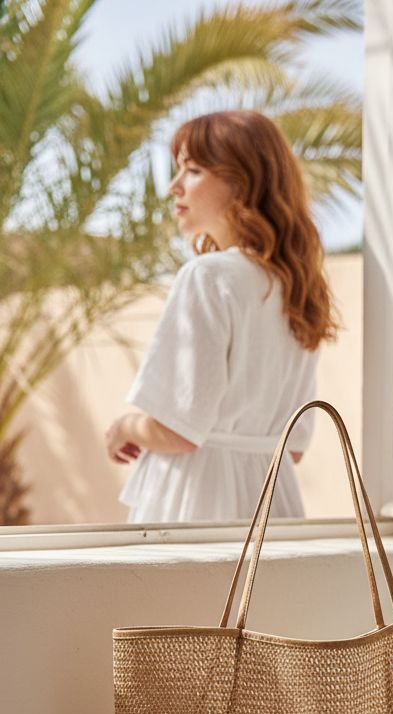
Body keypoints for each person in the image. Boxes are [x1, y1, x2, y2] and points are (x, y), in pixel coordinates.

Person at [105, 110, 337, 523]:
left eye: (192, 171)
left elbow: (178, 429)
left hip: (196, 505)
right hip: (273, 508)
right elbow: (294, 448)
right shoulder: (300, 289)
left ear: (242, 183)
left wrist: (124, 427)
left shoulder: (208, 276)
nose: (174, 188)